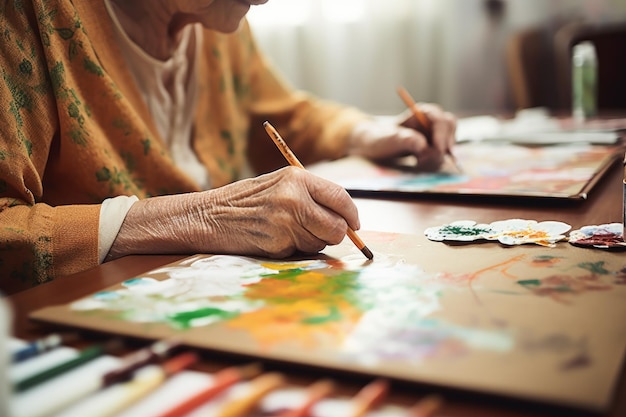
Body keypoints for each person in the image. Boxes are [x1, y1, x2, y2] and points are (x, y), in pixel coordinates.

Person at [0, 0, 457, 294]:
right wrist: (203, 217)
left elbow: (283, 113)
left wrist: (370, 134)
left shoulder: (215, 16)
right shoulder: (25, 16)